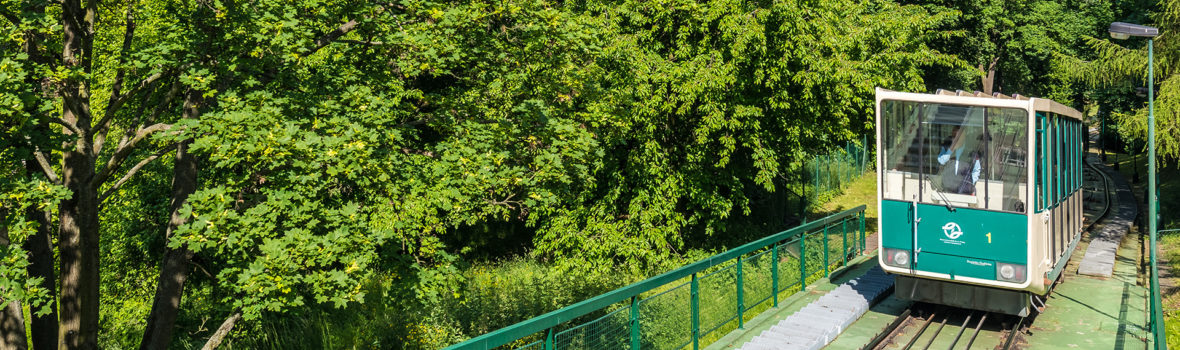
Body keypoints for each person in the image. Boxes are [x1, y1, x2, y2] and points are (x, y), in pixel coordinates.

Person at [936, 126, 981, 195]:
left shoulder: (971, 149)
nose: (956, 138)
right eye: (954, 136)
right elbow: (941, 162)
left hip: (965, 191)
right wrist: (951, 150)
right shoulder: (946, 147)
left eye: (958, 136)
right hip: (947, 189)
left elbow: (976, 169)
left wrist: (971, 182)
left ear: (964, 135)